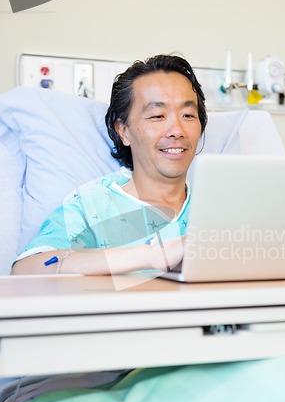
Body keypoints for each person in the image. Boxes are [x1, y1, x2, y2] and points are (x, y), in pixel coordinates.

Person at [11, 54, 208, 276]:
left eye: (188, 115)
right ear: (123, 131)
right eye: (157, 115)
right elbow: (26, 269)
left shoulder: (220, 207)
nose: (177, 130)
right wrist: (151, 255)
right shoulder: (93, 207)